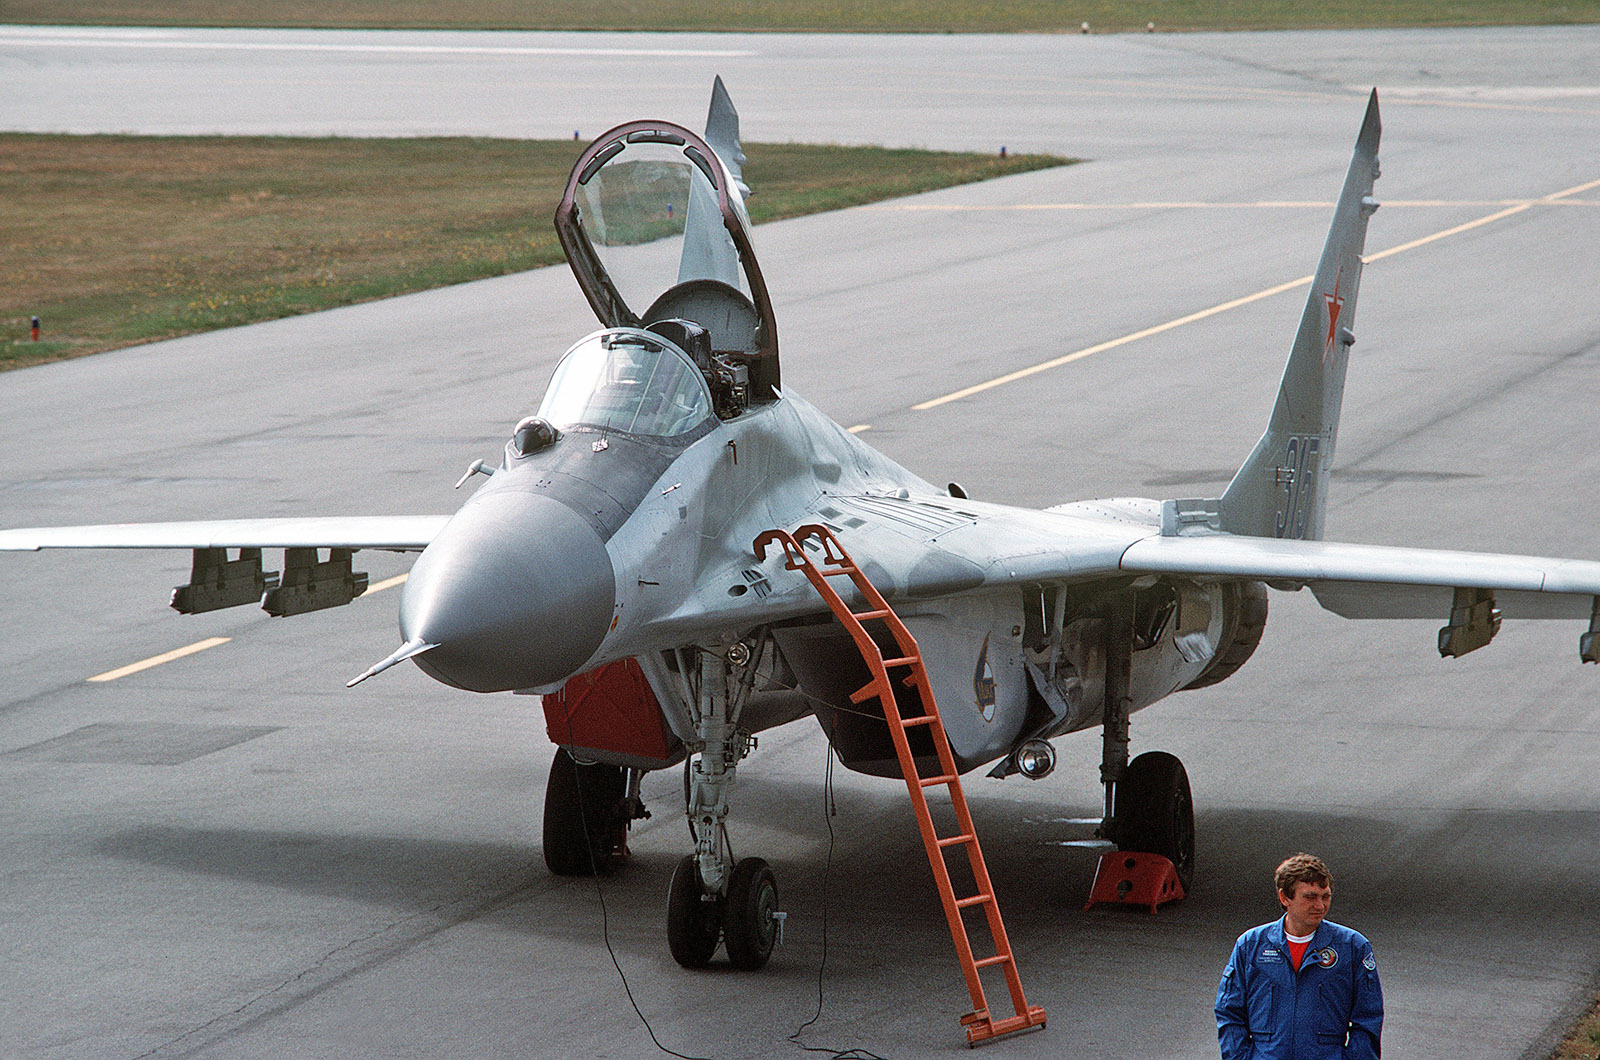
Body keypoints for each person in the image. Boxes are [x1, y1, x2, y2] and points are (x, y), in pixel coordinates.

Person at [1215, 853, 1383, 1059]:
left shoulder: (1352, 947)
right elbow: (1229, 1012)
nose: (1320, 906)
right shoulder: (1251, 945)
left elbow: (1368, 1018)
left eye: (1325, 896)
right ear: (1284, 897)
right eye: (1310, 897)